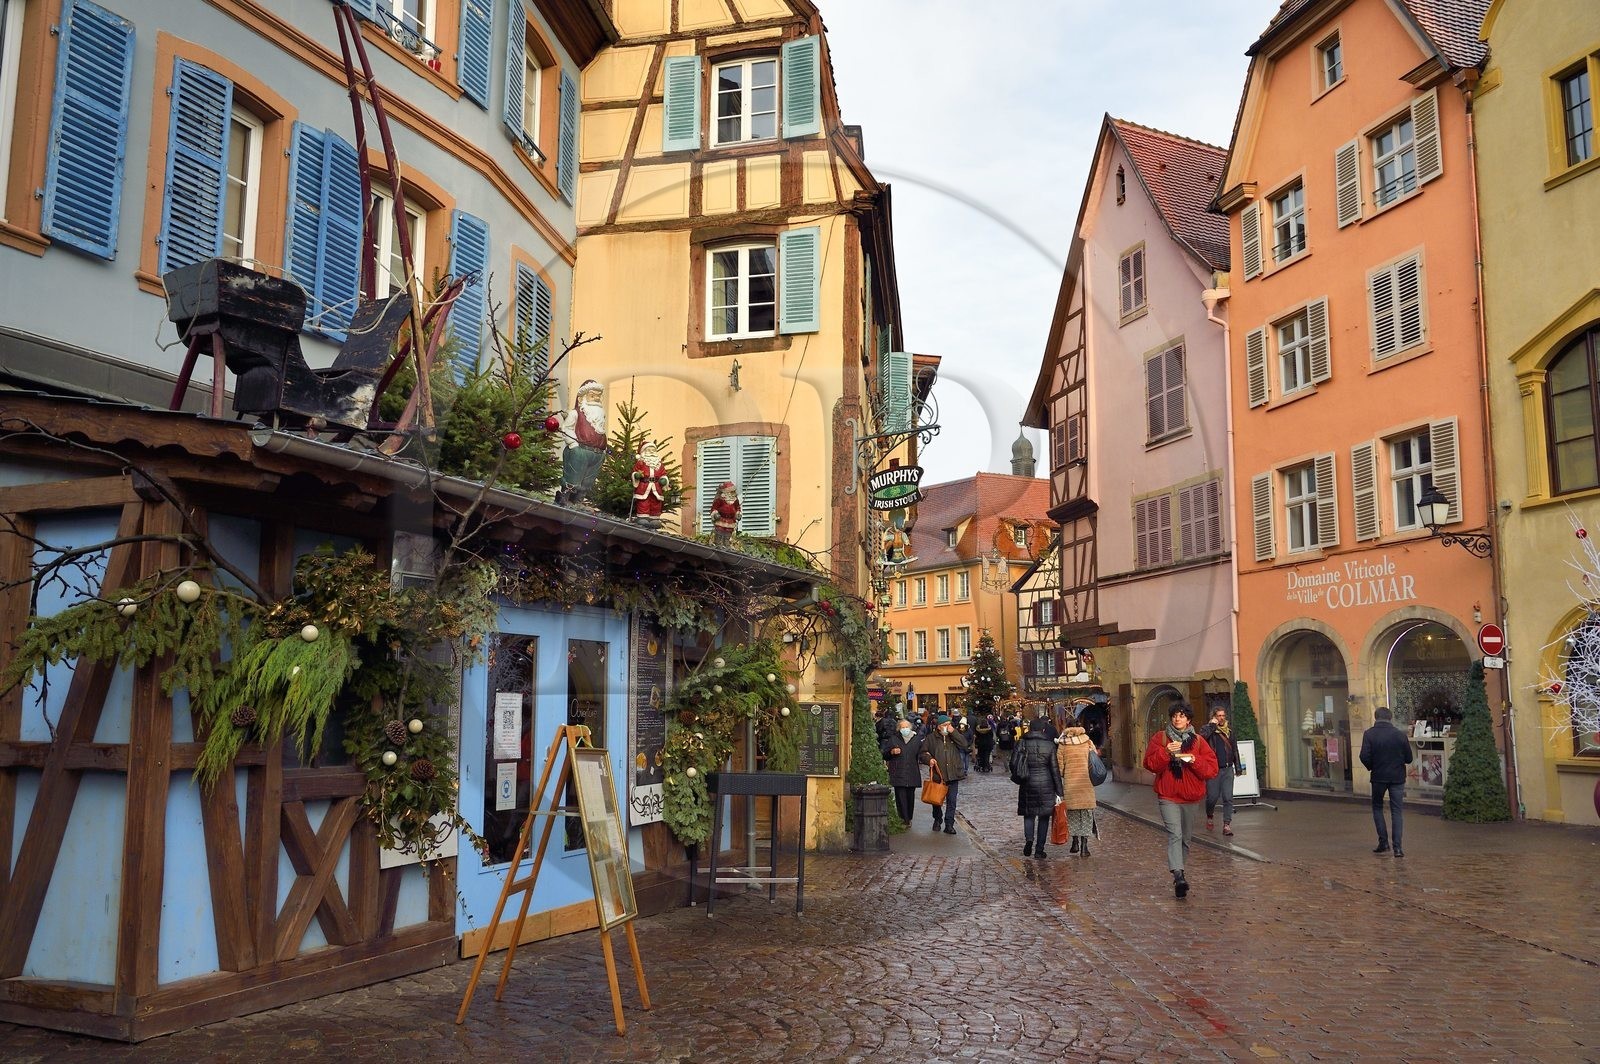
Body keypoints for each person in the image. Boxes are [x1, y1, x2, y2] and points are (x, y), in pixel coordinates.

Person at [1143, 702, 1218, 898]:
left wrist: (1194, 760)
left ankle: (1180, 872)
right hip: (1168, 795)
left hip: (1191, 797)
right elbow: (1149, 764)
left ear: (1188, 720)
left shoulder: (1198, 741)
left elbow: (1211, 770)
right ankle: (1178, 875)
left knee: (1185, 838)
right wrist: (1166, 752)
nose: (1178, 719)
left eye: (1182, 715)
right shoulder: (1160, 738)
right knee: (1175, 833)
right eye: (1175, 715)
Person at [1359, 705, 1414, 857]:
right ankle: (1398, 848)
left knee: (1377, 808)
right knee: (1397, 811)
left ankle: (1383, 842)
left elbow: (1364, 756)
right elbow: (1409, 758)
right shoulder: (1400, 735)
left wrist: (1372, 766)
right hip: (1397, 777)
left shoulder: (1369, 734)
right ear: (1390, 718)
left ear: (1376, 717)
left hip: (1378, 777)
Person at [1011, 707, 1063, 858]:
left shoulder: (1021, 743)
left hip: (1027, 782)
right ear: (1043, 729)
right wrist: (1060, 791)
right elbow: (1054, 769)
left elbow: (1013, 763)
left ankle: (1029, 840)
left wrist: (1019, 775)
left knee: (1029, 814)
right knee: (1044, 817)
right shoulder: (1050, 745)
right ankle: (1039, 850)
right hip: (1046, 784)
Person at [555, 379, 607, 502]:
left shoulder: (600, 416)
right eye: (592, 396)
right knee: (573, 479)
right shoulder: (575, 413)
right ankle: (565, 498)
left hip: (597, 453)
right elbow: (567, 428)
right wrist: (574, 445)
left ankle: (579, 501)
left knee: (587, 482)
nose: (596, 399)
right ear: (581, 398)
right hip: (580, 451)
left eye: (598, 396)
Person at [919, 712, 969, 834]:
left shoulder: (954, 736)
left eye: (949, 724)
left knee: (952, 801)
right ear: (939, 726)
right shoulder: (931, 738)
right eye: (945, 725)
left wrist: (954, 732)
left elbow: (964, 744)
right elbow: (922, 753)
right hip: (938, 774)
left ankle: (949, 824)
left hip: (953, 774)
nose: (947, 727)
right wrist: (929, 759)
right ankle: (937, 819)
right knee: (936, 800)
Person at [1199, 706, 1243, 836]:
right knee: (1212, 797)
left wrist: (1238, 767)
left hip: (1228, 769)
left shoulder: (1230, 731)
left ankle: (1227, 825)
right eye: (1219, 716)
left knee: (1228, 797)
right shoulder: (1207, 729)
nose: (1221, 718)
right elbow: (1201, 739)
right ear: (1214, 717)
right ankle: (1210, 815)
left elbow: (1234, 749)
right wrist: (1212, 726)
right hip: (1213, 770)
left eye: (1223, 715)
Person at [1055, 724, 1098, 856]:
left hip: (1071, 783)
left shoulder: (1063, 745)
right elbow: (1094, 759)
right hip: (1086, 782)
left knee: (1072, 814)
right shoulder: (1087, 741)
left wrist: (1066, 773)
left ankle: (1075, 843)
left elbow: (1059, 767)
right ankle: (1085, 847)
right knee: (1086, 814)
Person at [880, 716, 923, 825]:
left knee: (910, 797)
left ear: (910, 728)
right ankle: (904, 819)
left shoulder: (916, 739)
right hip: (898, 772)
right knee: (900, 797)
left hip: (912, 772)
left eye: (906, 727)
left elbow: (921, 754)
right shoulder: (894, 739)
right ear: (899, 729)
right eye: (902, 727)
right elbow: (885, 754)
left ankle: (909, 817)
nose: (905, 729)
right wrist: (891, 752)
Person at [629, 439, 671, 526]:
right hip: (644, 485)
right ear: (644, 451)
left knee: (656, 502)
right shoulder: (641, 462)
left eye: (653, 450)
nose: (651, 452)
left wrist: (664, 479)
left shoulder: (659, 464)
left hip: (656, 486)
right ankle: (643, 518)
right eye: (649, 450)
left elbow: (663, 474)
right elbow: (635, 471)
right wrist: (636, 475)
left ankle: (654, 519)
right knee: (643, 501)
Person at [709, 480, 740, 544]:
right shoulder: (720, 499)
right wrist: (715, 514)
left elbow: (738, 508)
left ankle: (726, 543)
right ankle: (718, 542)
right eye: (731, 491)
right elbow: (714, 508)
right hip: (721, 519)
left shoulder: (735, 500)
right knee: (719, 531)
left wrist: (738, 513)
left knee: (728, 532)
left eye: (733, 491)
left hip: (731, 520)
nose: (733, 493)